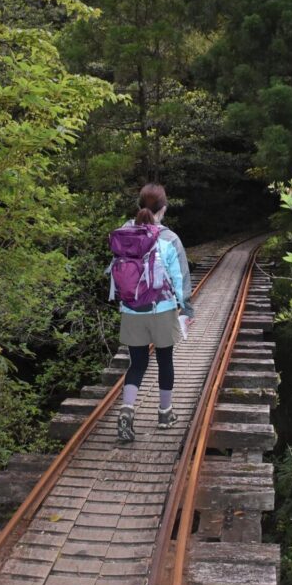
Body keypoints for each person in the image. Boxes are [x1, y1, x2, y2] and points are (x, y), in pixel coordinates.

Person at [115, 183, 195, 443]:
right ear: (164, 209)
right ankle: (165, 414)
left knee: (136, 363)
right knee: (165, 360)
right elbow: (180, 277)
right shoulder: (170, 238)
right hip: (162, 309)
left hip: (131, 309)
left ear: (139, 206)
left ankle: (127, 411)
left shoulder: (123, 233)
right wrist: (187, 308)